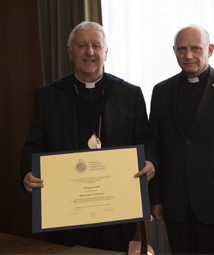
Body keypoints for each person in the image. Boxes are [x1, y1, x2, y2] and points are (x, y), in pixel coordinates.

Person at [20, 21, 157, 253]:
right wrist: (26, 173)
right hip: (66, 215)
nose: (90, 52)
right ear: (70, 52)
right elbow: (34, 143)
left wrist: (151, 161)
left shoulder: (129, 94)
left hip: (116, 214)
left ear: (106, 52)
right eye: (82, 45)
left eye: (96, 45)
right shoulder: (49, 96)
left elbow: (144, 137)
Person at [149, 25, 214, 254]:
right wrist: (156, 198)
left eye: (195, 48)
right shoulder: (161, 91)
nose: (188, 55)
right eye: (181, 49)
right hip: (175, 205)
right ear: (174, 51)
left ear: (210, 49)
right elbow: (155, 146)